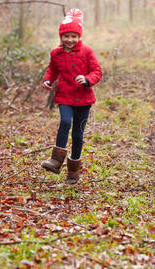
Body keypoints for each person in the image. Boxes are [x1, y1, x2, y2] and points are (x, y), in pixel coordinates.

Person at [41, 9, 102, 184]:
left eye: (74, 36)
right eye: (66, 36)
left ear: (79, 36)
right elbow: (52, 70)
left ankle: (73, 172)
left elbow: (97, 71)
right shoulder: (56, 54)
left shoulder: (87, 52)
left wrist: (87, 79)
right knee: (66, 122)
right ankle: (56, 159)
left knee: (78, 135)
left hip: (84, 100)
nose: (70, 40)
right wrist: (47, 80)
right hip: (65, 97)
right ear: (61, 37)